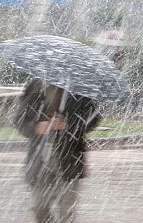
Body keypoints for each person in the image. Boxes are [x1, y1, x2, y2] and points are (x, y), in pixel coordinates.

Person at [12, 78, 101, 222]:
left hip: (69, 161)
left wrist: (68, 124)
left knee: (66, 214)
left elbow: (94, 119)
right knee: (39, 207)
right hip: (39, 161)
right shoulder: (35, 85)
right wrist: (36, 128)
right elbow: (19, 120)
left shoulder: (80, 87)